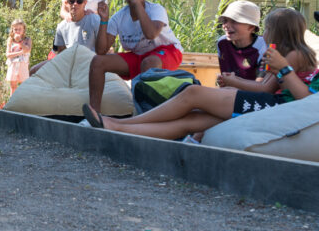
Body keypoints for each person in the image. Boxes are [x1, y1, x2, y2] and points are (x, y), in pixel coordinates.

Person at [83, 8, 318, 140]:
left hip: (274, 107)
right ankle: (118, 128)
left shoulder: (293, 55)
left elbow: (269, 90)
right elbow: (268, 86)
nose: (264, 33)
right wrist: (235, 83)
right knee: (193, 120)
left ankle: (121, 123)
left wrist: (236, 82)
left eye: (267, 29)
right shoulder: (284, 53)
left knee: (193, 93)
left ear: (279, 32)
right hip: (271, 104)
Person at [87, 0, 183, 113]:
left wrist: (137, 4)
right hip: (139, 56)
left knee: (149, 62)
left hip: (167, 52)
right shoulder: (119, 17)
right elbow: (101, 51)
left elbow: (151, 34)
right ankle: (94, 113)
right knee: (97, 62)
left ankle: (146, 115)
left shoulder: (156, 9)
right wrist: (104, 20)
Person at [30, 0, 101, 75]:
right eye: (71, 1)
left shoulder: (95, 20)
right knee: (34, 70)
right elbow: (61, 54)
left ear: (85, 3)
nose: (75, 4)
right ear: (66, 3)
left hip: (90, 65)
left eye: (79, 1)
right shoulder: (62, 26)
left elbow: (102, 49)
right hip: (70, 66)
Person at [216, 0, 267, 82]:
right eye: (225, 21)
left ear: (251, 27)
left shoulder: (263, 46)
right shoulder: (222, 43)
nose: (226, 25)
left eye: (234, 21)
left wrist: (233, 82)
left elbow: (261, 84)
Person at [5, 19, 31, 95]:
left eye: (20, 29)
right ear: (12, 30)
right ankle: (12, 101)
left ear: (23, 30)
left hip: (23, 65)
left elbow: (27, 50)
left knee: (24, 86)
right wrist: (20, 52)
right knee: (13, 86)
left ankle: (22, 101)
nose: (18, 31)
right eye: (15, 29)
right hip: (13, 65)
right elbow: (8, 55)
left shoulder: (27, 40)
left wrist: (20, 41)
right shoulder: (10, 40)